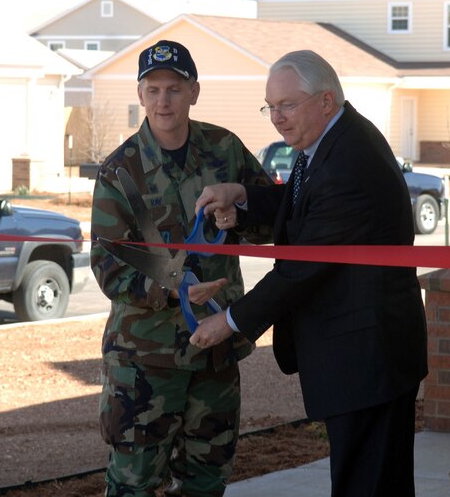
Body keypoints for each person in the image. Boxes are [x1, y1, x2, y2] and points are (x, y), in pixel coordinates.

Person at [190, 50, 428, 496]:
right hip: (365, 356)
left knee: (368, 485)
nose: (277, 118)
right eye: (270, 107)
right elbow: (302, 206)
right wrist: (243, 197)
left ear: (325, 99)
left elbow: (303, 267)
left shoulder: (348, 160)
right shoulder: (328, 140)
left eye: (287, 105)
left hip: (366, 358)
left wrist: (230, 321)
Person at [90, 39, 272, 497]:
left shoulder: (225, 150)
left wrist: (242, 215)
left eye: (174, 89)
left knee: (206, 482)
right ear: (140, 94)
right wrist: (171, 290)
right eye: (153, 90)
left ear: (194, 91)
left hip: (215, 350)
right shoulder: (121, 172)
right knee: (134, 485)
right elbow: (108, 266)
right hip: (144, 361)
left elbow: (270, 218)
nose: (163, 100)